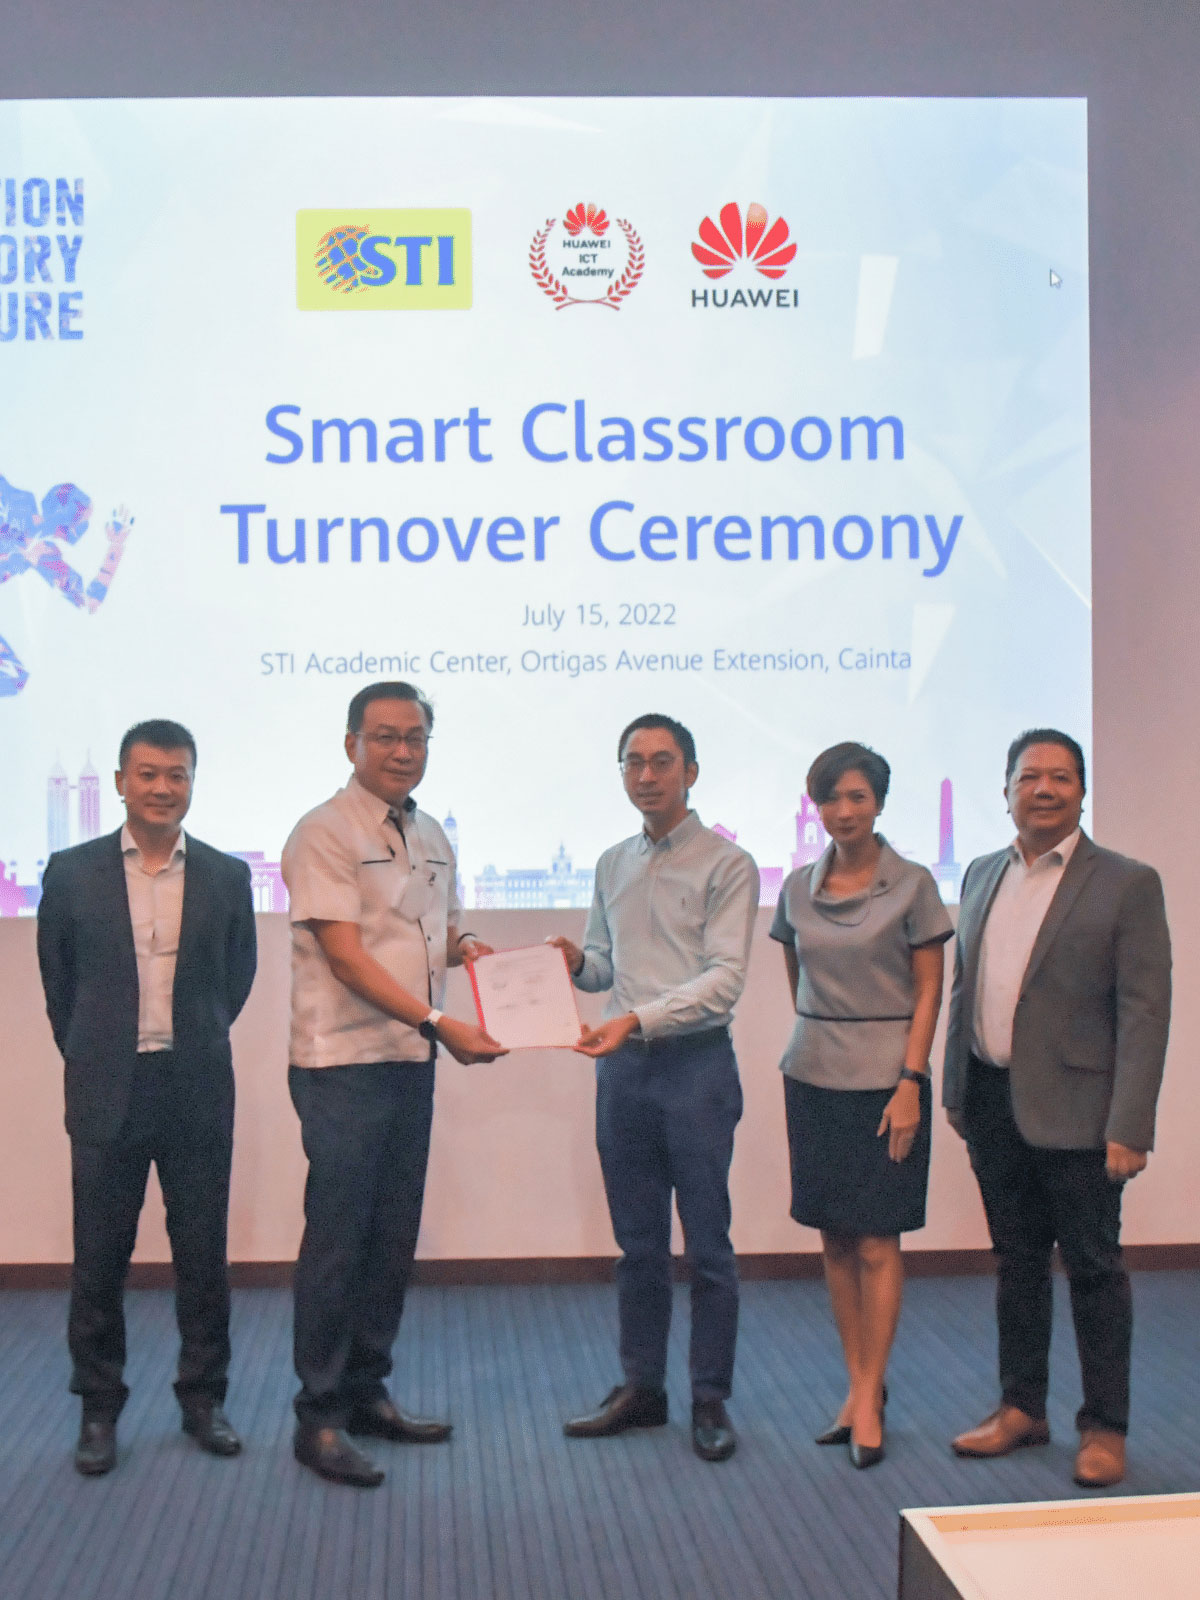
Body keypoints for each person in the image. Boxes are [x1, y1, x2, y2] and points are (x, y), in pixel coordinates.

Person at [281, 681, 504, 1487]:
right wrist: (442, 1023)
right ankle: (319, 1417)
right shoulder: (323, 831)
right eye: (384, 736)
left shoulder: (432, 833)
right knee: (339, 1242)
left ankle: (367, 1392)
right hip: (341, 1064)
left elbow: (434, 933)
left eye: (415, 738)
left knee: (390, 1238)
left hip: (410, 1061)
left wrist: (470, 951)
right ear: (351, 744)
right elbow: (345, 956)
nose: (402, 751)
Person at [944, 729, 1171, 1489]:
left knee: (1094, 1270)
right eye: (1029, 776)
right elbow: (966, 987)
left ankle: (1104, 1427)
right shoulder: (981, 873)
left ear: (1081, 790)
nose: (1044, 789)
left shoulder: (1127, 883)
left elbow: (1145, 1012)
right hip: (992, 1101)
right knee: (1016, 1266)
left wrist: (1130, 1124)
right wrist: (955, 1088)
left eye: (1061, 777)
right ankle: (1022, 1408)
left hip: (1082, 1116)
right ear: (1006, 790)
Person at [36, 718, 257, 1476]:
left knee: (203, 1257)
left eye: (177, 774)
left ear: (192, 781)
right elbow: (60, 986)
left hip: (195, 1084)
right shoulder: (71, 873)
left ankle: (204, 1400)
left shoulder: (227, 876)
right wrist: (95, 1050)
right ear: (122, 783)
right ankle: (98, 1408)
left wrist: (193, 1037)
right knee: (99, 1260)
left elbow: (236, 981)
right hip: (107, 1088)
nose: (163, 787)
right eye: (149, 774)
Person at [551, 713, 759, 1462]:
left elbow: (725, 980)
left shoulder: (728, 865)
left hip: (695, 1067)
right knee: (637, 1244)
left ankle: (709, 1399)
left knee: (707, 1246)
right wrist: (577, 965)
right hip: (625, 1071)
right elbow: (606, 967)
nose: (647, 775)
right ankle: (643, 1388)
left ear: (690, 772)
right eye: (633, 762)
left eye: (662, 761)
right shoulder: (612, 863)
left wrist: (637, 1017)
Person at [769, 742, 952, 1469]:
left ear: (878, 803)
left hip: (887, 1082)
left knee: (877, 1241)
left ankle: (872, 1392)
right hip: (814, 1073)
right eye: (830, 798)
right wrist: (825, 1033)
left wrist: (910, 1080)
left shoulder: (913, 886)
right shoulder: (796, 889)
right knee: (836, 1239)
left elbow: (930, 990)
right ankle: (857, 1385)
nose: (843, 811)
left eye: (857, 797)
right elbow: (798, 978)